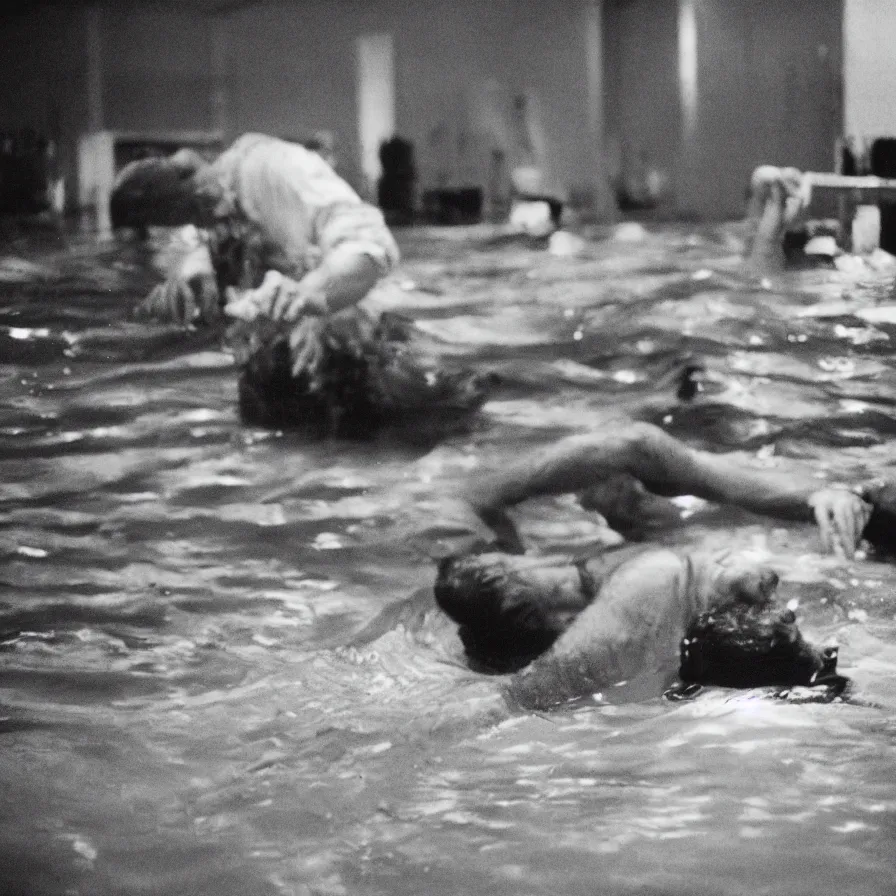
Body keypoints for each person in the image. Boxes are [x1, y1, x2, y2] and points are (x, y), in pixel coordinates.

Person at [432, 421, 891, 708]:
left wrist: (814, 496)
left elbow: (637, 445)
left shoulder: (633, 593)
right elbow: (638, 445)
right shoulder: (644, 592)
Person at [110, 133, 493, 435]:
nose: (198, 218)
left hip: (373, 367)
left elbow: (368, 245)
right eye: (186, 217)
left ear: (191, 174)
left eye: (192, 208)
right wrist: (192, 283)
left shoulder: (275, 168)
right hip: (298, 392)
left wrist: (310, 293)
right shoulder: (215, 216)